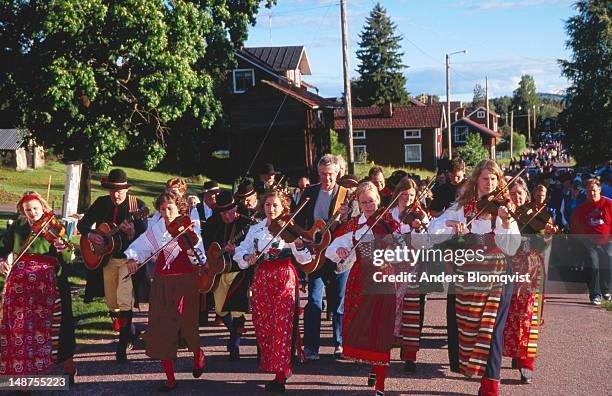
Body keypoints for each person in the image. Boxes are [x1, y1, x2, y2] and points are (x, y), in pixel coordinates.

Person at [427, 159, 520, 396]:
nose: (489, 183)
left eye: (493, 179)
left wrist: (506, 221)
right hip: (469, 274)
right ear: (476, 181)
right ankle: (476, 371)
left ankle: (491, 386)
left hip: (498, 274)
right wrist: (449, 224)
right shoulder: (463, 207)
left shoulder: (503, 208)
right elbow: (433, 230)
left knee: (493, 328)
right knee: (471, 328)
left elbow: (511, 246)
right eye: (485, 179)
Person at [124, 191, 205, 391]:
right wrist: (133, 258)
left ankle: (198, 354)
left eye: (170, 208)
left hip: (185, 283)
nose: (166, 212)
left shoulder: (189, 228)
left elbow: (200, 258)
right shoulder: (157, 229)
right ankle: (170, 378)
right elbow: (140, 246)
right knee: (161, 329)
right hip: (161, 283)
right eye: (162, 209)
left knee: (187, 325)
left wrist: (190, 252)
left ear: (179, 208)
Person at [326, 181, 401, 396]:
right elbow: (331, 248)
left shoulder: (390, 222)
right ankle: (372, 368)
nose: (368, 205)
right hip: (361, 280)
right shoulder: (354, 226)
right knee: (364, 328)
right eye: (363, 202)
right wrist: (340, 249)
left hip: (385, 279)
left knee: (382, 330)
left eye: (371, 201)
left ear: (378, 200)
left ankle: (380, 384)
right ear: (358, 203)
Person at [234, 189, 312, 393]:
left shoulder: (291, 228)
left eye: (275, 205)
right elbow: (242, 250)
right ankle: (279, 367)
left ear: (283, 207)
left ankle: (281, 374)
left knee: (282, 326)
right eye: (268, 205)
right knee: (265, 325)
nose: (271, 209)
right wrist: (246, 258)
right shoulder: (256, 228)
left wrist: (299, 245)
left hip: (284, 277)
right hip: (262, 278)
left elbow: (306, 260)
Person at [0, 192, 77, 383]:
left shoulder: (54, 226)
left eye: (36, 208)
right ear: (22, 211)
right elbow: (4, 247)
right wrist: (2, 260)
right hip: (21, 285)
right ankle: (20, 370)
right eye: (28, 210)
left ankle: (68, 364)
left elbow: (68, 257)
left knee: (62, 323)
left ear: (43, 207)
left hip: (49, 283)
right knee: (20, 325)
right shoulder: (17, 226)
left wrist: (62, 247)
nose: (33, 213)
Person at [77, 169, 147, 362]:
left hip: (128, 260)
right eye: (112, 191)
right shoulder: (101, 203)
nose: (115, 195)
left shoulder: (137, 207)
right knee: (112, 303)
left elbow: (145, 238)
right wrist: (91, 235)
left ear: (126, 189)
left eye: (119, 191)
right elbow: (82, 225)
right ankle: (131, 331)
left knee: (125, 300)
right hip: (107, 260)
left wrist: (132, 233)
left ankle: (121, 347)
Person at [294, 154, 350, 360]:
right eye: (323, 174)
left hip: (338, 257)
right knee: (314, 300)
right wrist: (303, 238)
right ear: (318, 174)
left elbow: (352, 225)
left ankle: (339, 343)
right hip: (316, 254)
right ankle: (311, 347)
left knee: (338, 302)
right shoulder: (309, 192)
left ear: (338, 173)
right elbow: (297, 221)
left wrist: (345, 216)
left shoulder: (347, 195)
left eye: (331, 174)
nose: (327, 179)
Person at [503, 178, 556, 384]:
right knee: (506, 314)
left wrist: (548, 237)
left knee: (528, 314)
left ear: (527, 195)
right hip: (507, 269)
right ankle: (508, 354)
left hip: (530, 268)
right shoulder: (502, 215)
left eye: (520, 194)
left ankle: (526, 363)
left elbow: (544, 246)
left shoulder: (538, 215)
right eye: (513, 194)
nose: (517, 197)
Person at [201, 191, 253, 361]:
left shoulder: (246, 224)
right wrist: (207, 260)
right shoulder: (211, 223)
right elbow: (205, 246)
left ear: (236, 208)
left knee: (238, 308)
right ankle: (233, 332)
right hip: (218, 271)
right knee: (219, 309)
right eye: (222, 213)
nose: (226, 216)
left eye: (229, 212)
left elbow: (252, 248)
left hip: (239, 270)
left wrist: (237, 250)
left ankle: (236, 343)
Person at [388, 177, 429, 373]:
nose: (407, 198)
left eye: (411, 195)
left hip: (412, 267)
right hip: (391, 267)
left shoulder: (420, 215)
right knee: (389, 309)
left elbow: (426, 243)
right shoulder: (388, 214)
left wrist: (418, 228)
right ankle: (385, 351)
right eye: (404, 194)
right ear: (397, 194)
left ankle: (409, 355)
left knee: (412, 311)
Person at [571, 179, 612, 305]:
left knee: (609, 260)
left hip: (607, 240)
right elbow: (575, 227)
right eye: (589, 192)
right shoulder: (581, 208)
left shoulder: (608, 204)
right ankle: (595, 294)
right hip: (589, 242)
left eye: (594, 190)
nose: (592, 194)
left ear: (599, 190)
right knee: (593, 265)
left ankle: (606, 289)